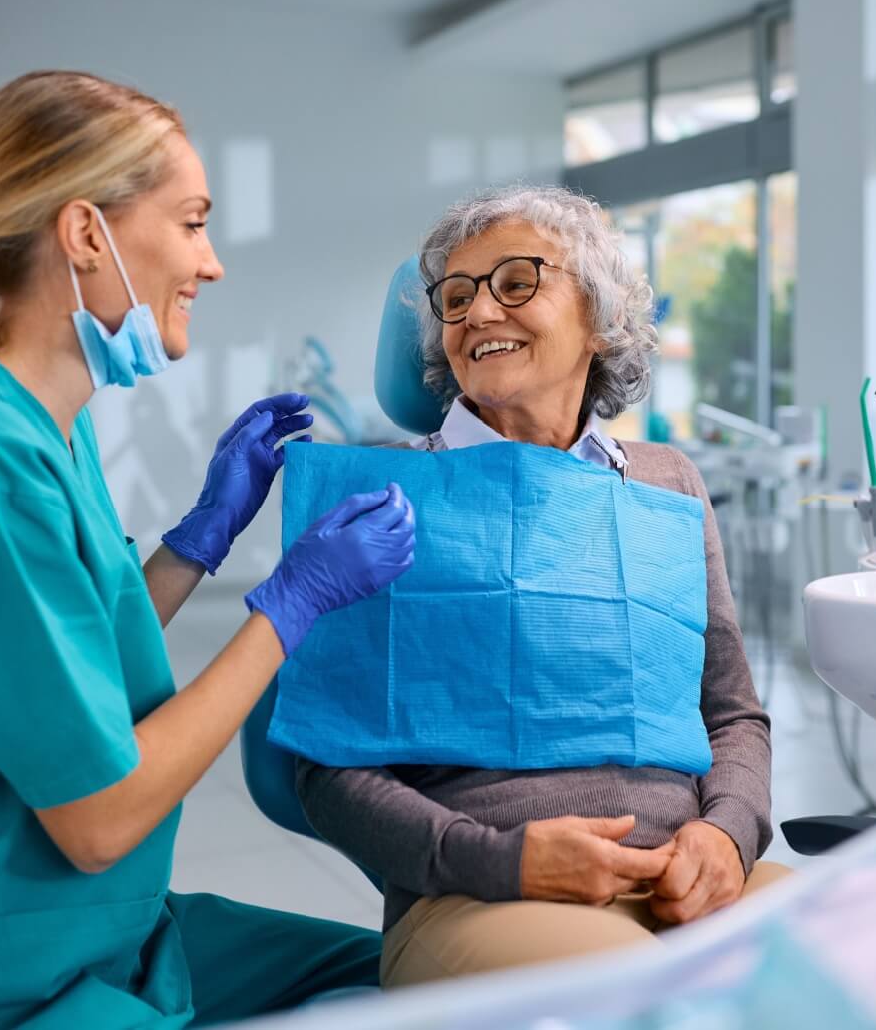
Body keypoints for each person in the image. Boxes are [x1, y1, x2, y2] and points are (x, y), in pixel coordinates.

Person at [0, 70, 415, 1028]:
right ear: (84, 235)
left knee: (401, 972)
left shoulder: (38, 425)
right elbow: (104, 819)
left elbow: (58, 662)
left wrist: (200, 540)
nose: (212, 262)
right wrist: (294, 603)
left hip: (65, 925)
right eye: (193, 222)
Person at [297, 184, 790, 989]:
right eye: (456, 298)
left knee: (863, 971)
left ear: (598, 318)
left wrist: (728, 836)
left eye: (516, 282)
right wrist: (502, 860)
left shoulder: (668, 485)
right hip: (476, 897)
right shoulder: (379, 498)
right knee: (649, 1003)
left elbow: (732, 712)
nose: (480, 313)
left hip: (680, 876)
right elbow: (326, 771)